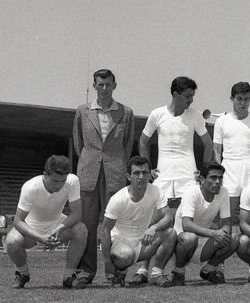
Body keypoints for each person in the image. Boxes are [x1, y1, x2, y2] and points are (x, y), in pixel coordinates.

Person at [132, 76, 212, 284]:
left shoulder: (195, 116)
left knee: (184, 226)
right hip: (163, 177)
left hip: (188, 177)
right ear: (175, 94)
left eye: (192, 96)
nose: (191, 100)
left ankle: (178, 270)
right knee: (155, 222)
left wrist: (203, 170)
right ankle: (143, 270)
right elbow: (143, 141)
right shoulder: (157, 114)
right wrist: (148, 169)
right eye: (187, 96)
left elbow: (208, 144)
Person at [73, 68, 134, 284]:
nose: (104, 88)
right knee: (87, 226)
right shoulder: (82, 111)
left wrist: (116, 163)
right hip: (89, 173)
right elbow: (79, 143)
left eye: (108, 84)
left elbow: (127, 145)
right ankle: (86, 272)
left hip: (115, 173)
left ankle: (114, 271)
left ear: (114, 85)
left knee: (114, 228)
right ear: (94, 85)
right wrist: (90, 161)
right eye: (100, 84)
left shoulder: (126, 112)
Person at [6, 155, 88, 289]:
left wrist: (59, 228)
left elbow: (76, 214)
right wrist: (41, 238)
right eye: (55, 181)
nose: (59, 185)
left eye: (63, 181)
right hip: (31, 228)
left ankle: (69, 276)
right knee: (11, 241)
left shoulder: (73, 181)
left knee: (81, 229)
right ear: (45, 175)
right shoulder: (30, 187)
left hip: (57, 225)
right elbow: (18, 221)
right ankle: (22, 273)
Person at [101, 156, 176, 287]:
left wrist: (153, 228)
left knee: (171, 233)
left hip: (142, 242)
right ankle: (119, 273)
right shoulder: (118, 198)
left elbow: (168, 217)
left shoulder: (155, 191)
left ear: (150, 175)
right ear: (128, 177)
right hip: (120, 242)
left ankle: (156, 274)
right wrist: (107, 262)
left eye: (145, 172)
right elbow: (105, 231)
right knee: (126, 255)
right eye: (136, 173)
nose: (141, 177)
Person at [170, 161, 238, 286]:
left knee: (233, 238)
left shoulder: (223, 192)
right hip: (180, 244)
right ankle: (178, 272)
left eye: (220, 178)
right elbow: (186, 225)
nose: (217, 182)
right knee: (190, 237)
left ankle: (208, 270)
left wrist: (225, 231)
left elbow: (227, 222)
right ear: (201, 179)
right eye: (213, 177)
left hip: (203, 242)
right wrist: (214, 234)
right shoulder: (191, 193)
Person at [213, 82, 250, 221]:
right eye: (239, 99)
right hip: (228, 169)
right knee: (226, 216)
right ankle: (224, 236)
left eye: (246, 99)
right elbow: (217, 151)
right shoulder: (221, 121)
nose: (243, 103)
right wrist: (217, 173)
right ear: (232, 98)